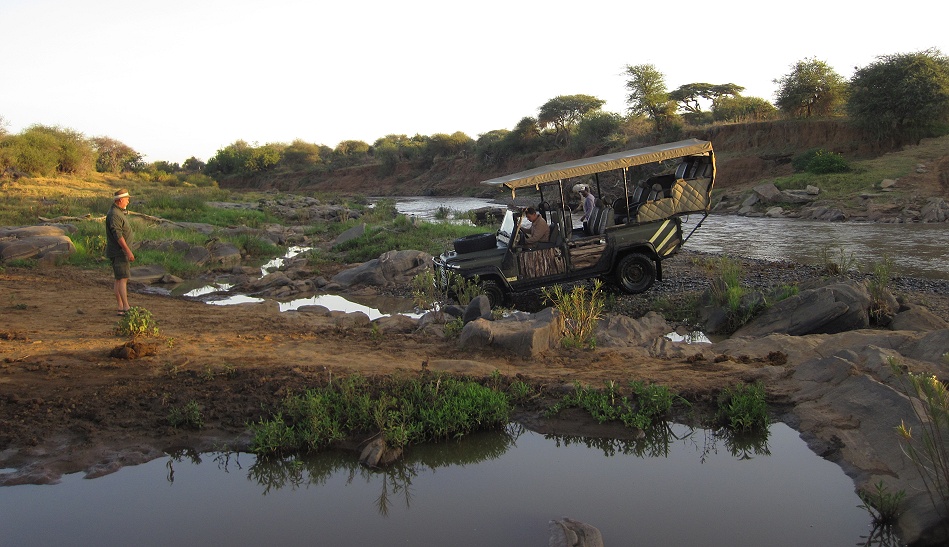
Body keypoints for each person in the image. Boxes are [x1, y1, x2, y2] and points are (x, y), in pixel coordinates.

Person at [105, 188, 135, 316]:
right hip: (119, 252)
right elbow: (118, 235)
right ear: (120, 200)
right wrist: (128, 251)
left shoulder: (117, 212)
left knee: (119, 279)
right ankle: (126, 307)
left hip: (117, 251)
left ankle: (121, 307)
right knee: (122, 279)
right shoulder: (115, 214)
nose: (128, 201)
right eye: (127, 199)